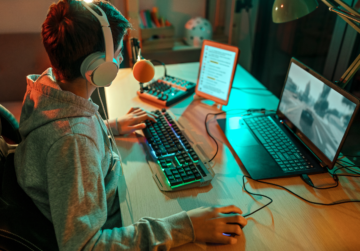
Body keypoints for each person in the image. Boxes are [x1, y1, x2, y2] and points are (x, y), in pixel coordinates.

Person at [14, 0, 247, 250]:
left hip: (102, 192)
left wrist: (111, 125)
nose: (121, 58)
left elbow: (70, 129)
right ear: (97, 68)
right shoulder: (73, 143)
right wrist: (185, 227)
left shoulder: (48, 87)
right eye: (116, 54)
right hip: (112, 220)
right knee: (225, 240)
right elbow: (83, 246)